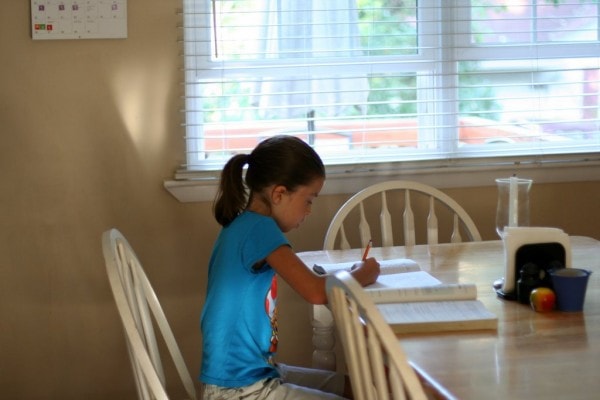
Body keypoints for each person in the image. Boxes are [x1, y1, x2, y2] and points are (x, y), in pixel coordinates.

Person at [200, 135, 380, 400]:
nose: (309, 210)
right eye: (309, 200)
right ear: (279, 194)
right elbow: (316, 291)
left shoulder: (244, 225)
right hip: (238, 390)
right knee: (364, 391)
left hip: (254, 374)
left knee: (353, 387)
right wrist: (363, 273)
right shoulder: (259, 229)